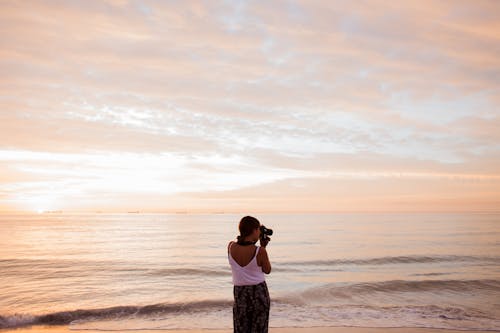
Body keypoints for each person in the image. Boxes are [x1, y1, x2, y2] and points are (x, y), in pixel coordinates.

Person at [227, 216, 272, 333]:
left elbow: (243, 244)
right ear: (254, 230)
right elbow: (267, 270)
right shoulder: (260, 251)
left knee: (241, 327)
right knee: (259, 329)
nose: (259, 232)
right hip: (258, 292)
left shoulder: (230, 247)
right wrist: (262, 247)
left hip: (239, 293)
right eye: (258, 229)